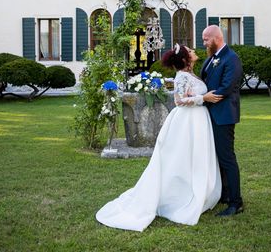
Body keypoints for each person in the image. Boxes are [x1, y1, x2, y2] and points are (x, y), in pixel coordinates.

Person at [95, 44, 221, 232]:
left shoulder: (190, 74)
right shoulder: (182, 76)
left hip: (197, 120)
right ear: (186, 59)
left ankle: (200, 188)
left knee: (196, 155)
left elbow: (188, 94)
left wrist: (199, 97)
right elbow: (179, 101)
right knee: (184, 157)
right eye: (191, 51)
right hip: (188, 120)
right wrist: (203, 98)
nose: (195, 52)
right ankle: (182, 194)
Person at [201, 25, 244, 216]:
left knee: (227, 158)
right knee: (217, 157)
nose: (204, 43)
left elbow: (227, 87)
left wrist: (205, 98)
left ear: (216, 38)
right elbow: (205, 82)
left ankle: (236, 202)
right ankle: (225, 194)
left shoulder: (231, 58)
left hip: (224, 116)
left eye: (205, 39)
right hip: (211, 115)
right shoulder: (211, 58)